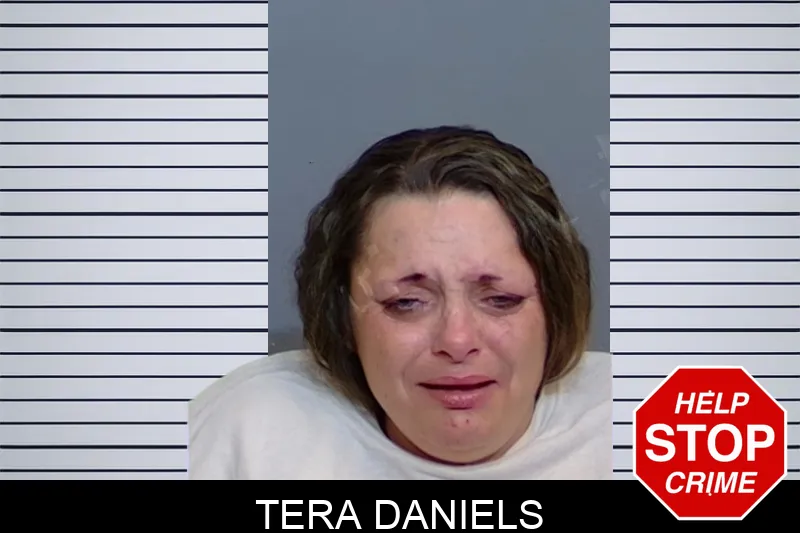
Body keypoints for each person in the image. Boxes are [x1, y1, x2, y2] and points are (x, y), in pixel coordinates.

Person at [188, 126, 612, 479]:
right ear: (342, 317)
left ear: (555, 311)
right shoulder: (249, 431)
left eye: (501, 299)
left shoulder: (636, 421)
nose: (457, 340)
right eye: (407, 302)